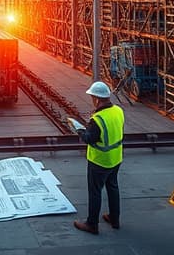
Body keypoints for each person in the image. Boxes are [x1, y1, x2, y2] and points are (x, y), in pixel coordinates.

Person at [73, 80, 124, 235]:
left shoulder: (98, 119)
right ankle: (114, 219)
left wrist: (81, 131)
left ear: (96, 98)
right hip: (116, 158)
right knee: (113, 188)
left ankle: (92, 224)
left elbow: (90, 138)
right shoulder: (118, 111)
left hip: (99, 161)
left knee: (95, 192)